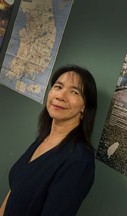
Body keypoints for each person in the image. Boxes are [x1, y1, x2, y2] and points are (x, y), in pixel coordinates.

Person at [0, 65, 97, 216]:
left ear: (84, 107)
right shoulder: (44, 138)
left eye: (74, 92)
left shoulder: (79, 161)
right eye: (58, 87)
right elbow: (15, 188)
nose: (61, 96)